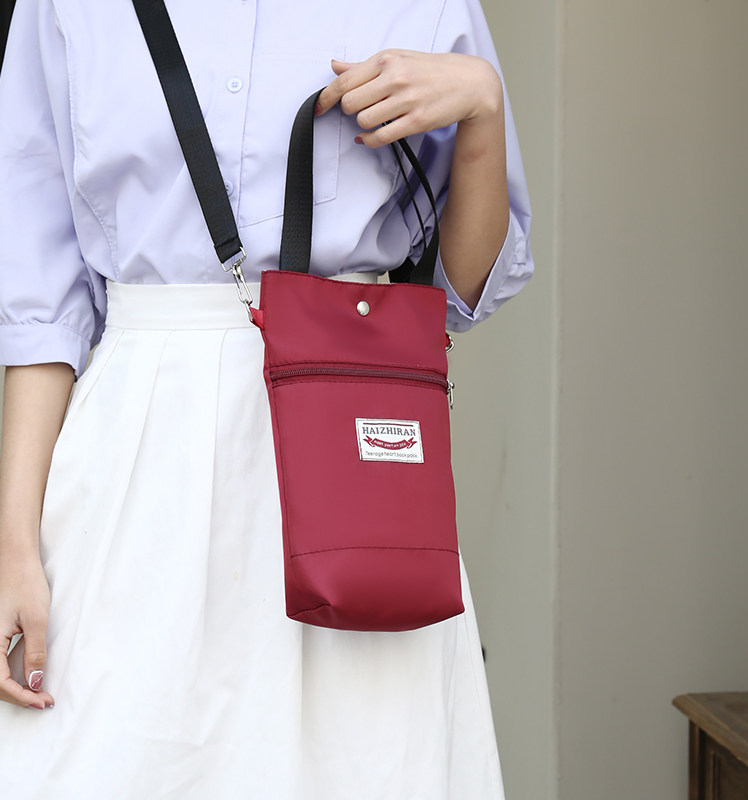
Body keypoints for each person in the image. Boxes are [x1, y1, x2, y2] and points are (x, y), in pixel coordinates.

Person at [0, 0, 533, 797]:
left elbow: (462, 290)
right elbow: (43, 313)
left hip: (349, 465)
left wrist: (482, 106)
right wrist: (14, 543)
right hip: (134, 467)